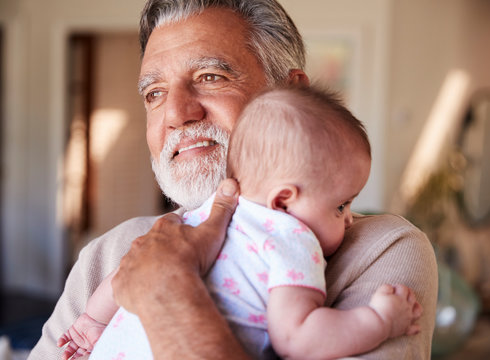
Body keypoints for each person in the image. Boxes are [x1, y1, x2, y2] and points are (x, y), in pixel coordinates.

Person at [29, 1, 438, 359]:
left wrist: (165, 290)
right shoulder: (110, 252)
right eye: (154, 92)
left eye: (210, 76)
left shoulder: (381, 249)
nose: (176, 113)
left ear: (290, 93)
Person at [57, 86, 423, 360]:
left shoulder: (203, 218)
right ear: (283, 201)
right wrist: (380, 321)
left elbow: (126, 275)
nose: (348, 220)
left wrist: (92, 321)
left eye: (211, 77)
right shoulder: (293, 240)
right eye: (341, 205)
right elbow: (296, 339)